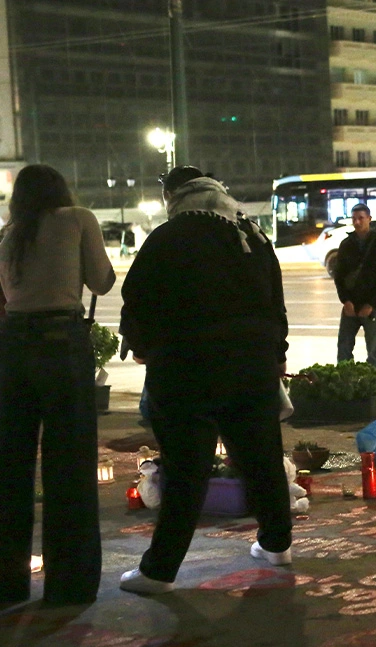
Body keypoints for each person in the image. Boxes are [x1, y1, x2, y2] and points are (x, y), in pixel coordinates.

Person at [118, 166, 291, 594]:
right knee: (261, 458)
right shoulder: (251, 235)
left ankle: (158, 571)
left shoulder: (169, 237)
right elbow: (276, 304)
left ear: (174, 196)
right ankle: (277, 545)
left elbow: (138, 298)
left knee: (185, 469)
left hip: (187, 369)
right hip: (252, 366)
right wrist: (276, 355)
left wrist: (141, 345)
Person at [0, 165, 115, 607]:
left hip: (12, 349)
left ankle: (8, 582)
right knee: (69, 466)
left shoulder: (9, 234)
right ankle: (69, 585)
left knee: (11, 467)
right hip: (60, 347)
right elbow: (101, 280)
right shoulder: (77, 219)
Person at [333, 204, 376, 370]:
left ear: (369, 219)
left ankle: (373, 388)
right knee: (344, 347)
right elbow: (339, 276)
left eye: (361, 218)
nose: (357, 222)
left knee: (373, 351)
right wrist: (346, 300)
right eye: (354, 219)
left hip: (373, 307)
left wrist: (371, 304)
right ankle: (344, 382)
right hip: (351, 304)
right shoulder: (346, 244)